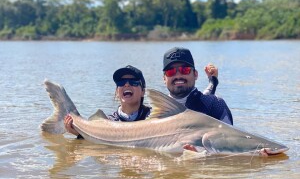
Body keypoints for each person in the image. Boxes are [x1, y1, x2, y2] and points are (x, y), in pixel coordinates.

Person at [64, 63, 219, 137]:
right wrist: (78, 133)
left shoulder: (157, 117)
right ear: (117, 91)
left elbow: (196, 104)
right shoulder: (110, 121)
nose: (126, 85)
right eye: (121, 83)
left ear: (143, 90)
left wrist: (213, 82)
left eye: (133, 82)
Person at [162, 46, 233, 125]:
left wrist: (213, 81)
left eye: (185, 70)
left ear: (195, 74)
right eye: (170, 72)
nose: (178, 76)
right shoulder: (156, 112)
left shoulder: (215, 105)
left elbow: (231, 137)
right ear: (164, 78)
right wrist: (213, 81)